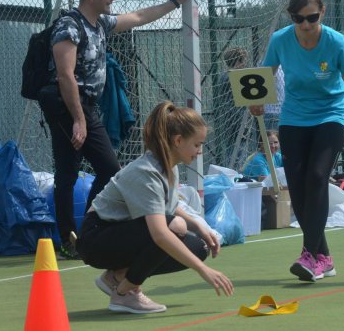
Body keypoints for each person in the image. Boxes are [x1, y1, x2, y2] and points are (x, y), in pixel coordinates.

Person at [37, 0, 187, 260]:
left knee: (101, 170)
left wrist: (175, 2)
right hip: (68, 106)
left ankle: (86, 230)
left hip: (87, 107)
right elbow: (66, 76)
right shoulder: (69, 26)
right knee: (73, 172)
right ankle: (71, 238)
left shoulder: (101, 24)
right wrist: (79, 119)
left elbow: (139, 17)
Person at [249, 0, 344, 282]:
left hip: (331, 115)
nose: (305, 25)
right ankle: (324, 258)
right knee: (299, 189)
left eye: (312, 18)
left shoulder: (336, 43)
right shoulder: (280, 40)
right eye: (298, 18)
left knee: (317, 177)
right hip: (294, 117)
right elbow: (262, 79)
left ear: (322, 13)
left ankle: (308, 255)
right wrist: (257, 102)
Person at [75, 101, 234, 314]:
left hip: (119, 234)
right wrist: (203, 271)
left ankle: (116, 277)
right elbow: (159, 234)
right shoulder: (146, 172)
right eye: (197, 144)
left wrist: (198, 226)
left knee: (198, 248)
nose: (199, 151)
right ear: (178, 140)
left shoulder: (169, 166)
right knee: (174, 228)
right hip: (95, 239)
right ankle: (125, 293)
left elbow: (168, 206)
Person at [213, 47, 249, 166]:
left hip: (228, 118)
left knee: (232, 149)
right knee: (238, 150)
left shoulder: (223, 76)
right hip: (237, 118)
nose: (244, 64)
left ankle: (233, 170)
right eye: (243, 60)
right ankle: (236, 173)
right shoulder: (234, 76)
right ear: (238, 61)